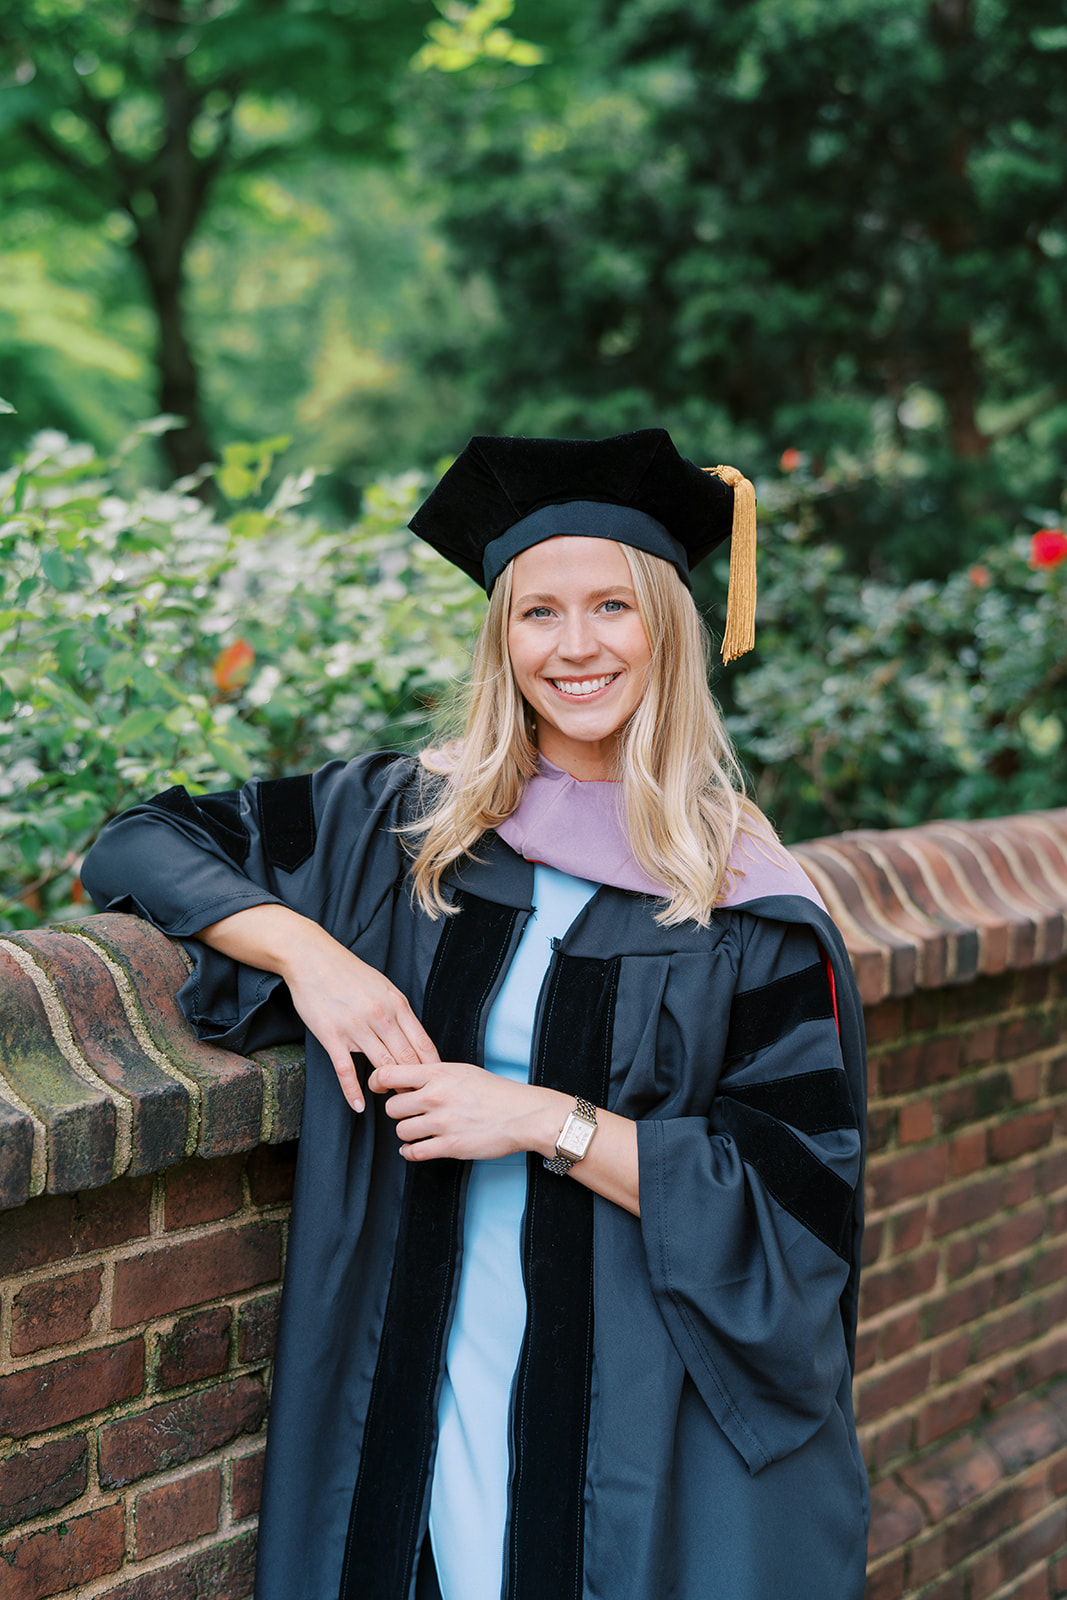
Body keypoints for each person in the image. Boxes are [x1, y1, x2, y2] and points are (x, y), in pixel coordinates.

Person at [83, 429, 869, 1600]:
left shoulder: (739, 896)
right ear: (501, 638)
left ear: (667, 626)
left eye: (611, 605)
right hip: (419, 1361)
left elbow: (793, 1210)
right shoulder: (400, 824)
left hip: (634, 1409)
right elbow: (139, 842)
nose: (575, 645)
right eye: (537, 612)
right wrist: (309, 955)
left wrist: (543, 1119)